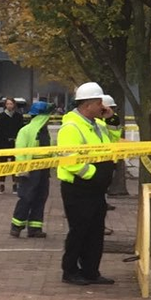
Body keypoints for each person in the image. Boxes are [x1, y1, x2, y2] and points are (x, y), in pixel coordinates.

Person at [56, 82, 115, 285]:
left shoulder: (98, 124)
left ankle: (91, 271)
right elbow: (69, 159)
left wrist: (111, 119)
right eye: (99, 103)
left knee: (96, 231)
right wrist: (93, 174)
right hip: (78, 187)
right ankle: (70, 271)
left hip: (96, 188)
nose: (102, 106)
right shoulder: (71, 127)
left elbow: (113, 141)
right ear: (88, 104)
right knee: (79, 230)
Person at [9, 100, 54, 238]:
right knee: (26, 197)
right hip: (31, 168)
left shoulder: (45, 131)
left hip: (44, 168)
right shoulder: (26, 131)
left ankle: (35, 228)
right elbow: (20, 151)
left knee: (41, 197)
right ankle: (16, 226)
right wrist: (23, 169)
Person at [0, 97, 26, 192]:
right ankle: (1, 184)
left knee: (14, 164)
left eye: (11, 104)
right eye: (7, 104)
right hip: (3, 143)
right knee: (3, 164)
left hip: (14, 143)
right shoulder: (1, 116)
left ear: (14, 105)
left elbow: (21, 129)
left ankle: (15, 183)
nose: (9, 106)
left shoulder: (18, 116)